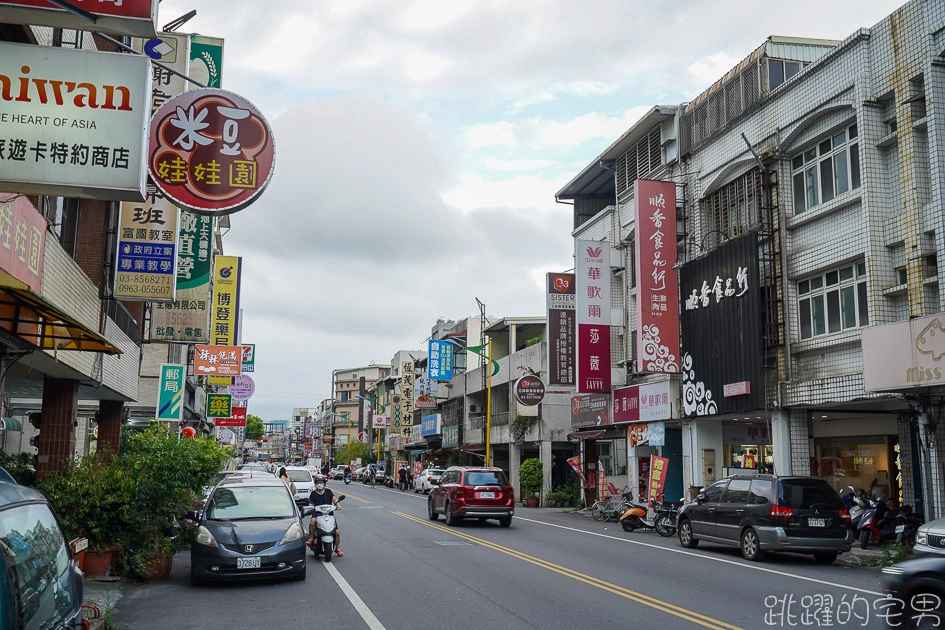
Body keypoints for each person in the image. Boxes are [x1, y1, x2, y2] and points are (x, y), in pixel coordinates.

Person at [308, 474, 343, 556]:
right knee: (313, 521)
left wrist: (338, 505)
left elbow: (334, 499)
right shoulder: (313, 493)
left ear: (324, 483)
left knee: (337, 532)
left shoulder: (328, 492)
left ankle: (337, 548)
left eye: (321, 482)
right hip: (318, 514)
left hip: (329, 514)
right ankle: (311, 538)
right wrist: (312, 508)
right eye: (318, 482)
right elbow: (310, 503)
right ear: (315, 483)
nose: (320, 484)